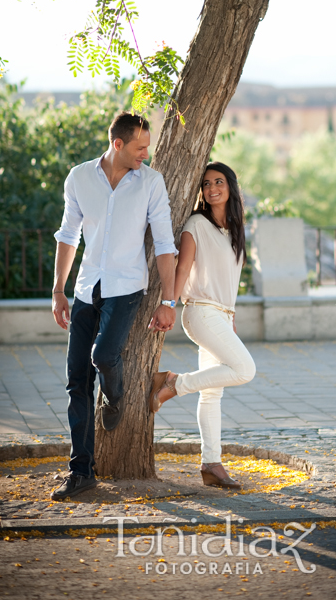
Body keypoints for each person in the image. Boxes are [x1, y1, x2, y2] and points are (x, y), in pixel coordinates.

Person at [51, 111, 177, 500]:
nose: (146, 154)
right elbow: (69, 234)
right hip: (87, 288)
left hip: (127, 287)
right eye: (140, 148)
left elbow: (166, 244)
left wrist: (169, 300)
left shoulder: (151, 183)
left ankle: (116, 394)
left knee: (104, 355)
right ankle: (81, 470)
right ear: (118, 144)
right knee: (76, 380)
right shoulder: (79, 178)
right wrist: (59, 290)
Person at [149, 162, 256, 489]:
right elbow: (183, 268)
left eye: (219, 182)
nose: (212, 188)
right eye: (207, 184)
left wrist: (230, 318)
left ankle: (212, 464)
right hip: (201, 313)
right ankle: (172, 382)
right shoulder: (196, 223)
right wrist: (168, 303)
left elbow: (228, 281)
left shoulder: (234, 229)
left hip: (221, 316)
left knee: (212, 395)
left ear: (230, 186)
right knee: (245, 369)